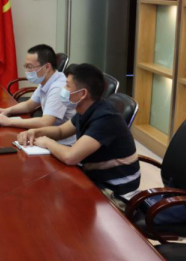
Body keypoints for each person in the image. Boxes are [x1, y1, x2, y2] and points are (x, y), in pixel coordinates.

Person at [18, 63, 140, 198]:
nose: (63, 89)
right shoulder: (87, 108)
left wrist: (47, 142)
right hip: (94, 174)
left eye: (67, 85)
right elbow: (60, 131)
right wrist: (35, 132)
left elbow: (70, 157)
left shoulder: (106, 118)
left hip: (116, 190)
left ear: (82, 94)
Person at [0, 44, 76, 145]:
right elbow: (29, 104)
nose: (27, 71)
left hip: (62, 143)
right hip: (47, 137)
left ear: (47, 67)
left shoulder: (58, 87)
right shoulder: (47, 79)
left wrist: (10, 121)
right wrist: (7, 111)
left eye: (30, 67)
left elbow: (45, 122)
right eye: (26, 66)